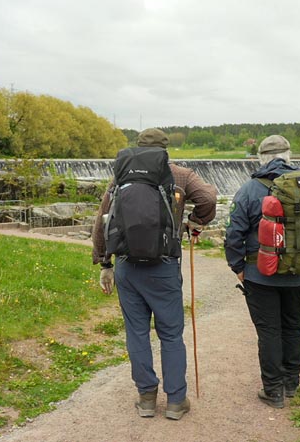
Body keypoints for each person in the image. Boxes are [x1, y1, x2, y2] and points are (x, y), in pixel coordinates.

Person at [92, 128, 217, 420]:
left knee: (137, 334)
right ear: (165, 149)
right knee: (171, 334)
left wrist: (104, 263)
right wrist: (194, 223)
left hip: (126, 266)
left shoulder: (121, 175)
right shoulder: (180, 175)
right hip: (163, 267)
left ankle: (147, 399)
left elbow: (102, 220)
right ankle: (175, 402)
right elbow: (209, 198)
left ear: (138, 148)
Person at [224, 134, 300, 409]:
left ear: (261, 158)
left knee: (269, 332)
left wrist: (238, 267)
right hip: (298, 275)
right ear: (289, 156)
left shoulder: (250, 189)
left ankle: (273, 390)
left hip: (259, 275)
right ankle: (291, 383)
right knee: (292, 327)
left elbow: (233, 234)